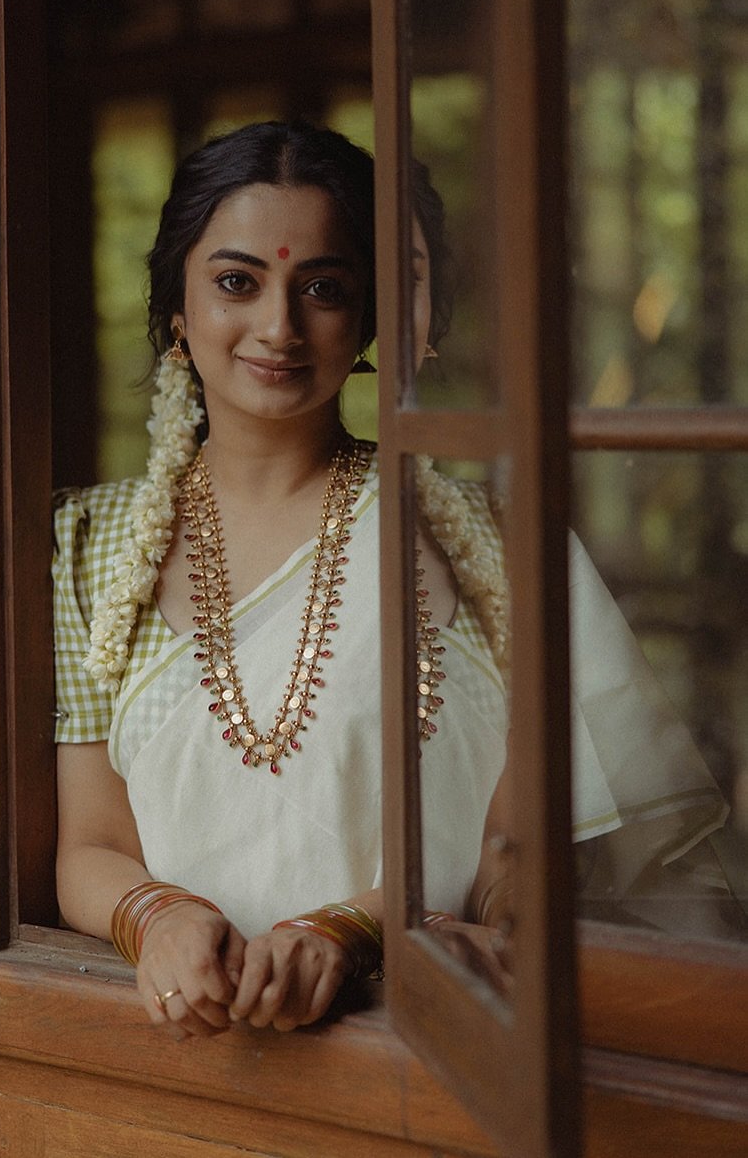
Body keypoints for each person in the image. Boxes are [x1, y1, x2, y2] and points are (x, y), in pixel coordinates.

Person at [52, 120, 736, 1041]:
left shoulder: (486, 543)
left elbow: (519, 866)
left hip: (426, 1056)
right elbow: (89, 844)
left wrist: (355, 927)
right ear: (177, 307)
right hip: (181, 1049)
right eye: (235, 282)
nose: (278, 327)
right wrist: (158, 918)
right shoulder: (93, 546)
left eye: (322, 288)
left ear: (371, 318)